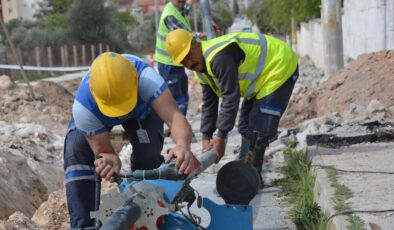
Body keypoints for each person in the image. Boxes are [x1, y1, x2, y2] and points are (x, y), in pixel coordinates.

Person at [64, 52, 198, 228]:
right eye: (116, 109)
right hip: (99, 116)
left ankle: (153, 214)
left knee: (148, 153)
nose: (121, 114)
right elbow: (104, 151)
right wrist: (108, 160)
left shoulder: (148, 79)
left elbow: (174, 117)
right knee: (76, 151)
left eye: (123, 106)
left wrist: (182, 145)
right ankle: (84, 225)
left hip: (141, 112)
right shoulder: (83, 107)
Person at [165, 29, 299, 188]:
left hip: (279, 65)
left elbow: (230, 97)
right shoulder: (200, 69)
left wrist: (221, 137)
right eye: (182, 61)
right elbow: (209, 103)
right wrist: (206, 136)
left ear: (197, 45)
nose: (188, 63)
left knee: (259, 129)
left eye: (188, 55)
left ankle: (251, 179)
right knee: (245, 127)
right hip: (261, 78)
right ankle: (244, 170)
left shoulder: (219, 57)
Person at [155, 0, 220, 119]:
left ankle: (180, 126)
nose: (183, 2)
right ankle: (178, 130)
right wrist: (206, 33)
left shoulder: (177, 7)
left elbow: (186, 7)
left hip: (177, 61)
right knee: (178, 99)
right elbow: (186, 35)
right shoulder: (170, 15)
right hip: (168, 63)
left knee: (183, 96)